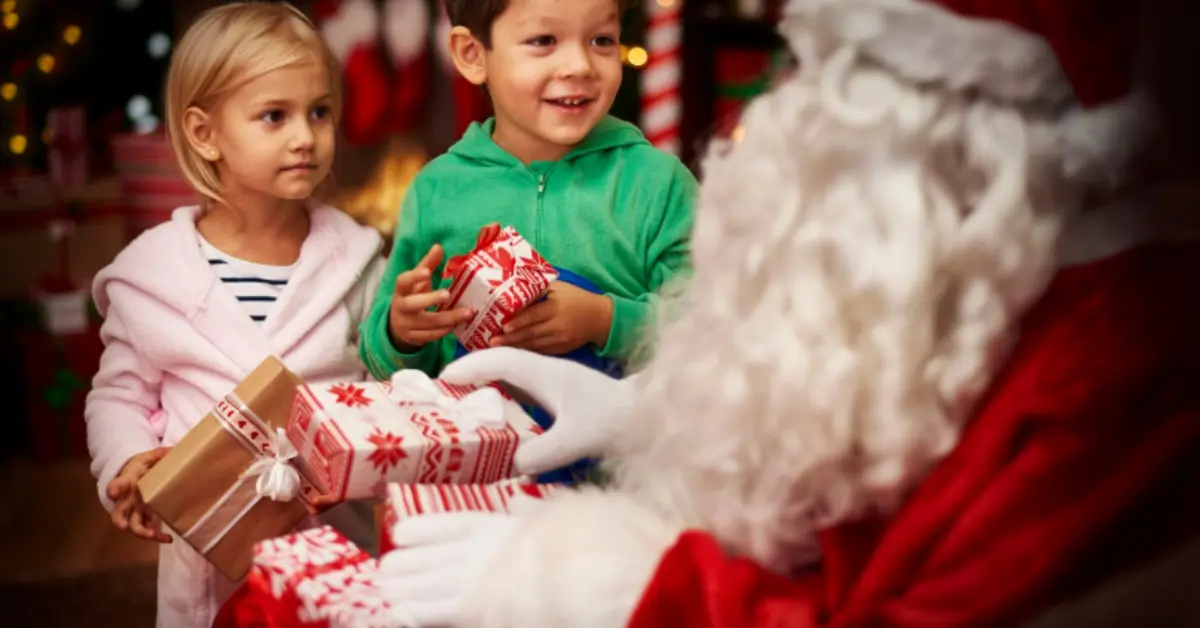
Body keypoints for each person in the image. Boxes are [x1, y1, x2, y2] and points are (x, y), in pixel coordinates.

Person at [374, 0, 1200, 626]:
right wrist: (639, 413)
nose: (773, 116)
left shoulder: (1104, 376)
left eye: (825, 90)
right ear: (472, 56)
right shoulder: (939, 289)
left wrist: (595, 578)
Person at [85, 4, 384, 626]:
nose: (305, 136)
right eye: (275, 116)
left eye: (319, 111)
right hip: (207, 556)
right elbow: (117, 396)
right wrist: (127, 463)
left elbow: (382, 387)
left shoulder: (359, 263)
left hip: (332, 542)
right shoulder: (154, 278)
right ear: (204, 133)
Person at [357, 0, 696, 386]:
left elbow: (713, 327)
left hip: (623, 440)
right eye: (544, 40)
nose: (580, 66)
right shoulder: (436, 190)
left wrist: (605, 321)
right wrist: (401, 333)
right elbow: (382, 362)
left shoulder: (658, 183)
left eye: (601, 40)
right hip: (475, 439)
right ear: (473, 55)